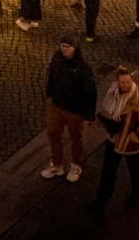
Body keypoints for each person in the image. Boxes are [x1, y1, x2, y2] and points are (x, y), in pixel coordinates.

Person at [89, 66, 139, 211]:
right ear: (117, 82)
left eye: (128, 82)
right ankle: (102, 200)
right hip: (114, 140)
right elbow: (107, 112)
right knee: (107, 172)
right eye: (122, 82)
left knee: (134, 170)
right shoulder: (112, 94)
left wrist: (133, 137)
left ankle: (135, 194)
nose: (125, 85)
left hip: (132, 145)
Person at [41, 37, 97, 182]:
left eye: (68, 46)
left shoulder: (83, 68)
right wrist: (50, 95)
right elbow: (51, 76)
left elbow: (90, 92)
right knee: (53, 133)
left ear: (75, 48)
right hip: (56, 106)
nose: (64, 49)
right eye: (63, 46)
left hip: (74, 110)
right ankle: (57, 164)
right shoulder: (57, 58)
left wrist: (88, 115)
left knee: (76, 139)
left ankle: (76, 165)